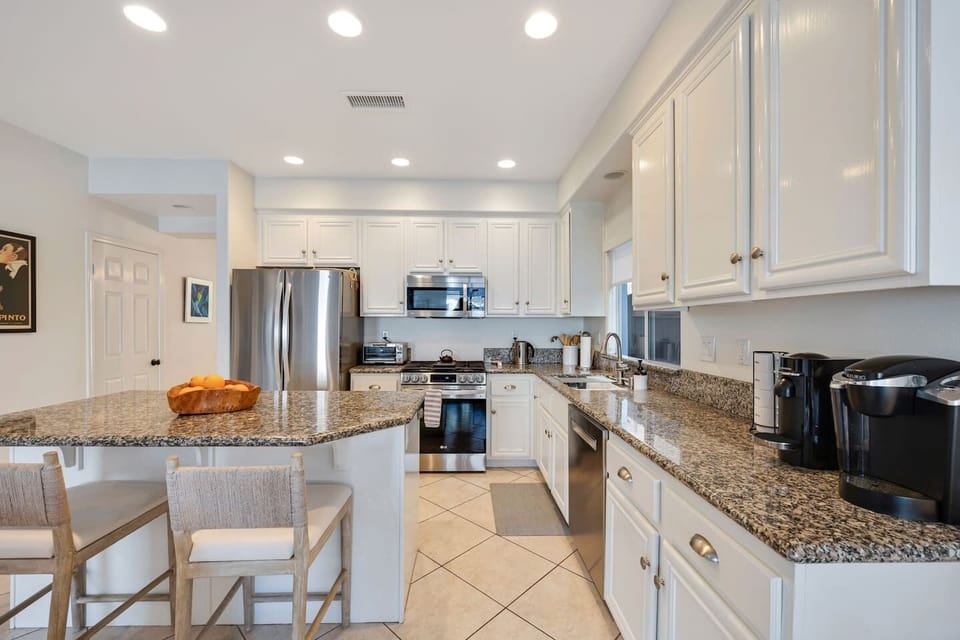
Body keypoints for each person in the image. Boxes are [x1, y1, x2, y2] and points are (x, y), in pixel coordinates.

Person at [0, 241, 29, 318]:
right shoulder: (6, 270)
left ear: (14, 256)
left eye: (4, 249)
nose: (0, 251)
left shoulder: (27, 272)